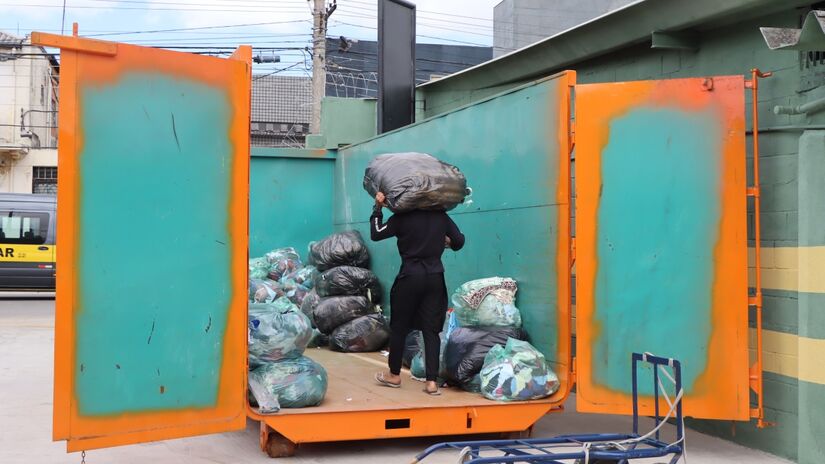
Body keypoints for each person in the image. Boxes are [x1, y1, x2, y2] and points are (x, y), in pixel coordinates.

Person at [370, 191, 465, 395]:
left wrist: (377, 208)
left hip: (410, 277)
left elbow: (376, 233)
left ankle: (394, 375)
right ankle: (431, 382)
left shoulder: (401, 218)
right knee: (431, 330)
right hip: (435, 277)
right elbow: (459, 241)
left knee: (399, 327)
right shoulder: (441, 217)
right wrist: (445, 242)